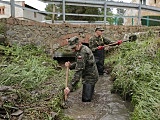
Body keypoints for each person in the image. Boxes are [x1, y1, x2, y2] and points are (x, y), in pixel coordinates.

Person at [64, 36, 99, 102]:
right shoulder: (79, 50)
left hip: (90, 77)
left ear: (79, 44)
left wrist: (70, 87)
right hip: (89, 75)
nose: (73, 50)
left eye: (74, 47)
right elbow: (79, 62)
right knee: (89, 96)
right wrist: (70, 66)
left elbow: (78, 71)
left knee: (86, 101)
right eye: (72, 48)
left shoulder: (83, 53)